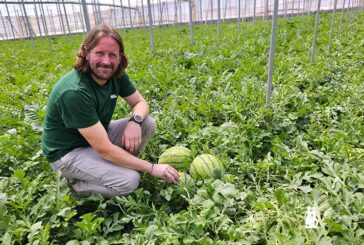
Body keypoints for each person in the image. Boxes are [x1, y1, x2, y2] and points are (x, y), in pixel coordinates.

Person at [41, 24, 179, 198]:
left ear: (120, 57)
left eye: (112, 55)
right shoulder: (74, 91)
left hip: (96, 138)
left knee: (147, 123)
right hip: (69, 153)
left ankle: (117, 166)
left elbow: (140, 102)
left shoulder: (116, 74)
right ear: (86, 52)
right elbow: (104, 149)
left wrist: (134, 121)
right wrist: (151, 168)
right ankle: (74, 187)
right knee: (129, 181)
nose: (106, 61)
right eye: (99, 53)